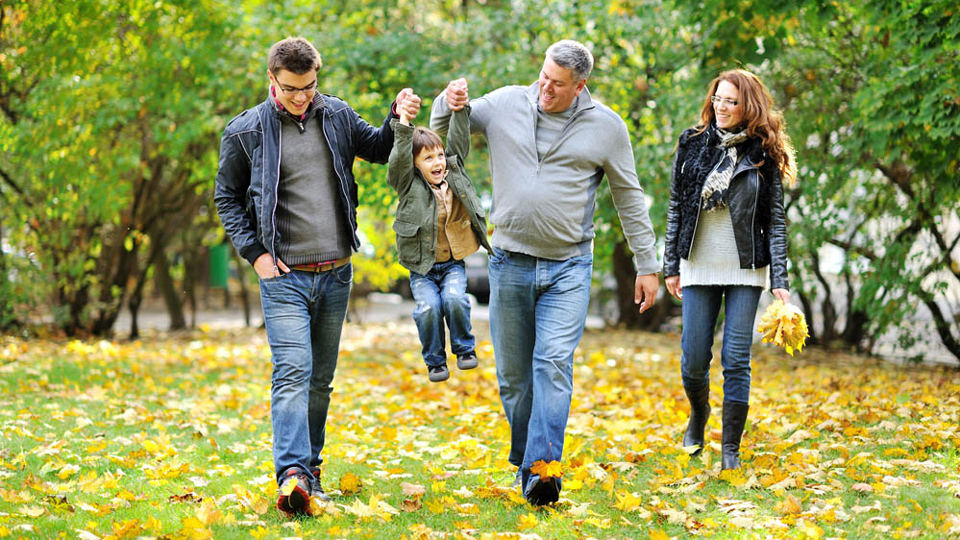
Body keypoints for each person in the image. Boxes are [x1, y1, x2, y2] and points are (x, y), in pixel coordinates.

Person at [430, 40, 660, 505]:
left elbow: (629, 196)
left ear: (580, 86)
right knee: (514, 380)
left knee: (552, 364)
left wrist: (647, 263)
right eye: (543, 76)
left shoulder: (607, 127)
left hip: (568, 266)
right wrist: (446, 100)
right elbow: (443, 134)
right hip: (509, 261)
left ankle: (541, 470)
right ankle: (526, 461)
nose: (545, 88)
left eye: (557, 84)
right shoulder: (506, 103)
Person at [213, 36, 420, 516]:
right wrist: (255, 254)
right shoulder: (246, 131)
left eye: (309, 86)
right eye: (291, 89)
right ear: (272, 80)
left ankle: (311, 470)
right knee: (292, 373)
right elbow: (227, 197)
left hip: (335, 274)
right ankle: (291, 477)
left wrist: (397, 115)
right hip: (283, 276)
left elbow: (377, 147)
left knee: (319, 380)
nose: (302, 96)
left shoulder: (337, 115)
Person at [662, 69, 796, 470]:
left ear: (747, 106)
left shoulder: (762, 152)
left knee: (736, 358)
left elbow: (775, 218)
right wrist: (671, 265)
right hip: (698, 264)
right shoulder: (691, 144)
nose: (721, 108)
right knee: (692, 359)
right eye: (718, 99)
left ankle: (730, 450)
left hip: (745, 267)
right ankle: (699, 415)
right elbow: (675, 207)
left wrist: (780, 281)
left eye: (731, 101)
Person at [387, 90, 492, 383]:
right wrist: (405, 121)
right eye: (428, 158)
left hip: (452, 264)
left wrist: (460, 109)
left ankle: (464, 350)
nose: (437, 162)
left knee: (455, 300)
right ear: (415, 164)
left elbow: (458, 140)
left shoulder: (454, 175)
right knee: (429, 308)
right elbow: (397, 162)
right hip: (422, 269)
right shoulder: (407, 184)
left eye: (439, 155)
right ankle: (435, 362)